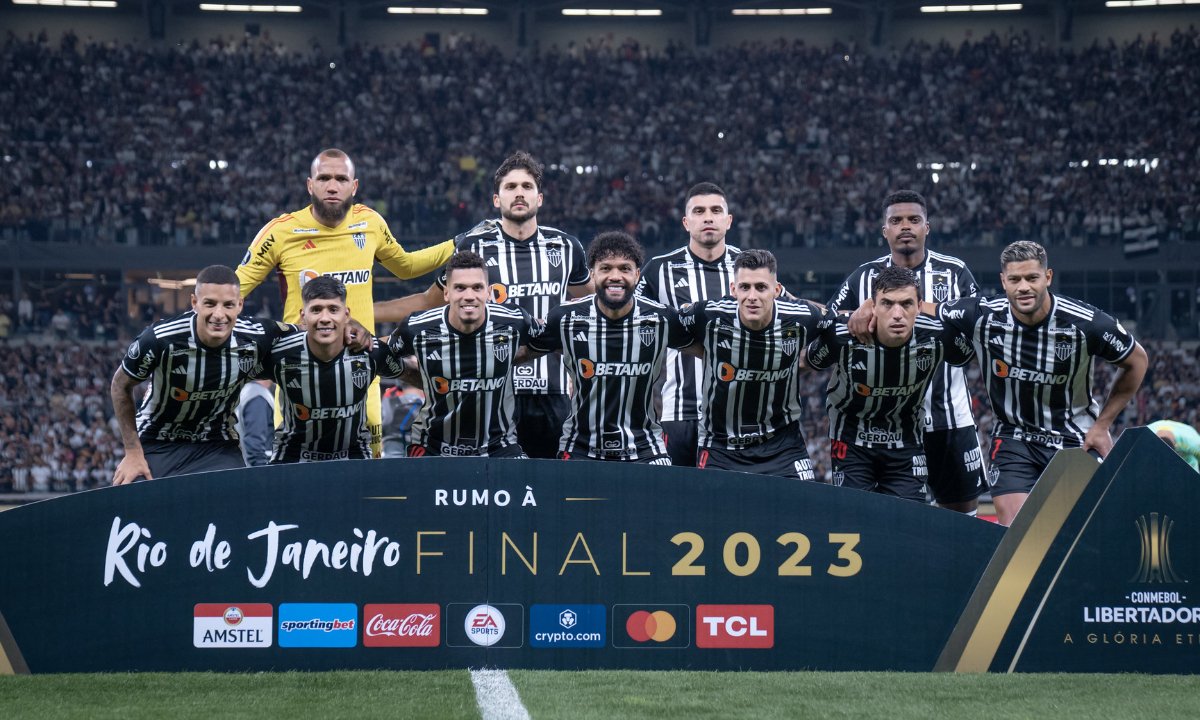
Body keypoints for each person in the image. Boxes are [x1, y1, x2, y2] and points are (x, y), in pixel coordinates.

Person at [235, 148, 454, 458]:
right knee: (293, 471)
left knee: (368, 473)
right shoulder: (281, 232)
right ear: (310, 185)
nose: (332, 185)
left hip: (360, 367)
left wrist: (458, 244)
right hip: (299, 372)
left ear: (355, 186)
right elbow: (234, 291)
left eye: (341, 178)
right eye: (324, 178)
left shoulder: (370, 222)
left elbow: (406, 266)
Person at [379, 151, 593, 459]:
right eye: (510, 187)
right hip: (489, 394)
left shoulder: (566, 246)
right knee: (495, 489)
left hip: (553, 392)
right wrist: (367, 312)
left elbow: (593, 304)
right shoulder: (474, 246)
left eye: (527, 186)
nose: (519, 193)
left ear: (540, 198)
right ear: (497, 199)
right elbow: (431, 303)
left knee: (549, 491)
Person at [937, 240, 1148, 525]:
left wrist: (1102, 425)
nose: (1023, 287)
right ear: (1003, 281)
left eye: (1031, 278)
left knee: (1075, 531)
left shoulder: (1086, 324)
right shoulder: (982, 315)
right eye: (1014, 279)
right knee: (1017, 533)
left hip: (1074, 440)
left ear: (1047, 277)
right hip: (1014, 439)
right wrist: (867, 311)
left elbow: (1137, 361)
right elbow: (923, 308)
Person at [829, 189, 986, 514]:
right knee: (890, 517)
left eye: (913, 220)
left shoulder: (955, 272)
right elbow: (829, 321)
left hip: (948, 417)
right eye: (896, 220)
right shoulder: (863, 277)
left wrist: (927, 310)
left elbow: (978, 325)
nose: (905, 226)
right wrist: (853, 314)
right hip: (887, 426)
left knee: (962, 514)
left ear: (926, 227)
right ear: (884, 230)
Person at [525, 231, 694, 463]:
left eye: (624, 269)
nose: (615, 276)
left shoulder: (662, 319)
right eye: (606, 268)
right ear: (592, 275)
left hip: (645, 448)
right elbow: (521, 353)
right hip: (580, 448)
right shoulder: (565, 318)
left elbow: (710, 351)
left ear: (636, 275)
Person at [110, 265, 289, 484]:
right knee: (137, 505)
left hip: (216, 445)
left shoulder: (257, 335)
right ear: (195, 303)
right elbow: (120, 385)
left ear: (240, 305)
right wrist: (132, 452)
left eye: (228, 305)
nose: (219, 314)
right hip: (158, 442)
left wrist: (344, 330)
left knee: (242, 500)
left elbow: (307, 334)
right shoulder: (159, 339)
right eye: (210, 304)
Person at [808, 267, 974, 501]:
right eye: (887, 304)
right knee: (854, 521)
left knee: (906, 524)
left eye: (906, 304)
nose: (897, 314)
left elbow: (968, 353)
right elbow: (810, 360)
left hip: (907, 441)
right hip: (851, 440)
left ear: (919, 306)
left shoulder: (940, 335)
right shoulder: (842, 335)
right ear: (872, 307)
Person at [677, 249, 830, 480]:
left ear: (777, 290)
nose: (752, 296)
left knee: (803, 513)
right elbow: (663, 325)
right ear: (733, 289)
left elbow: (840, 328)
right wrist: (708, 351)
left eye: (761, 287)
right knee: (714, 516)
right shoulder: (709, 315)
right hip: (720, 446)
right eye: (745, 287)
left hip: (783, 446)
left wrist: (811, 359)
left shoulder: (803, 317)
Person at [638, 182, 746, 467]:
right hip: (679, 413)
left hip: (738, 414)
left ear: (728, 220)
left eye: (715, 210)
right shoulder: (659, 270)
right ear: (686, 222)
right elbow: (627, 321)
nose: (708, 217)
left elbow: (787, 306)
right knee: (675, 504)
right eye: (699, 211)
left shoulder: (748, 267)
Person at [389, 251, 536, 457]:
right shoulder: (416, 328)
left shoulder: (515, 321)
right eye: (460, 288)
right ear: (446, 293)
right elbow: (383, 357)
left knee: (526, 487)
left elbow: (552, 340)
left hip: (498, 447)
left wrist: (570, 374)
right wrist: (418, 377)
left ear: (488, 292)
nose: (469, 296)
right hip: (433, 446)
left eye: (477, 287)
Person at [264, 276, 407, 463]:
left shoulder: (369, 351)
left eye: (333, 309)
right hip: (292, 459)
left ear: (347, 315)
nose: (325, 318)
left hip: (353, 459)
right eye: (316, 310)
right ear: (303, 316)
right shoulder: (280, 354)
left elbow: (412, 373)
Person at [235, 379, 274, 467]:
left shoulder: (246, 390)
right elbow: (255, 439)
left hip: (244, 463)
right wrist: (260, 471)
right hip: (256, 466)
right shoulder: (257, 394)